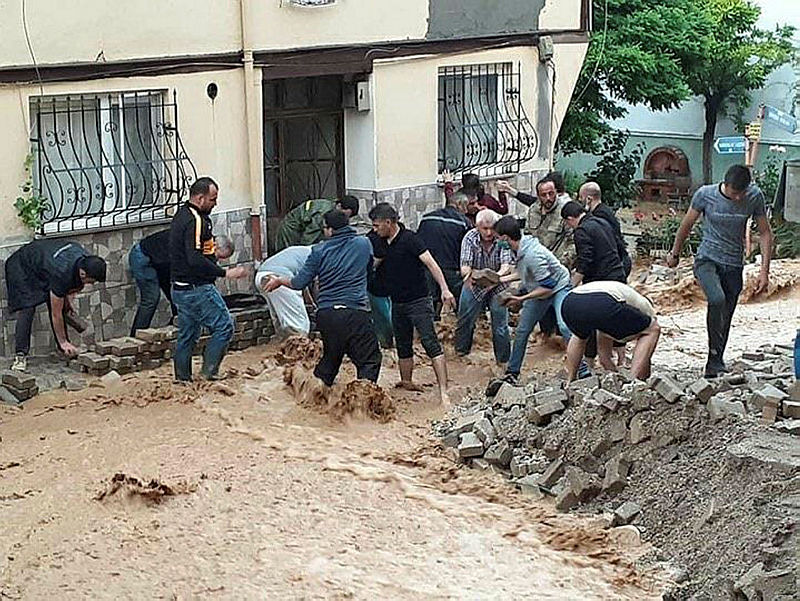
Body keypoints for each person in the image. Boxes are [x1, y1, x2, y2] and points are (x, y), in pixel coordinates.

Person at [667, 164, 772, 378]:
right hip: (707, 259)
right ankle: (714, 359)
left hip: (734, 264)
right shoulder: (705, 195)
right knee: (716, 299)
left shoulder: (754, 197)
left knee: (727, 314)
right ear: (725, 184)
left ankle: (715, 361)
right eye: (734, 193)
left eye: (741, 193)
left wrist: (764, 272)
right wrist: (675, 253)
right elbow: (686, 224)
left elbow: (765, 233)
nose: (738, 198)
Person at [263, 210, 381, 388]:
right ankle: (363, 400)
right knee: (369, 360)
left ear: (330, 230)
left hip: (327, 315)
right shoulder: (364, 244)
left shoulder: (319, 251)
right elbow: (370, 271)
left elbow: (298, 283)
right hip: (355, 313)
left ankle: (315, 394)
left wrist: (279, 280)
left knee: (331, 359)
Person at [369, 202, 455, 403]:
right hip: (396, 301)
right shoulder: (377, 241)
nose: (374, 229)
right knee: (403, 344)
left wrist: (444, 289)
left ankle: (444, 391)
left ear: (388, 223)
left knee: (429, 341)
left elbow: (431, 264)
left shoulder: (411, 240)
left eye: (377, 225)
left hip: (419, 301)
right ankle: (406, 382)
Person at [169, 176, 249, 382]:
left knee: (188, 334)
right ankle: (209, 373)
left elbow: (200, 253)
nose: (215, 203)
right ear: (200, 198)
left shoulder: (182, 215)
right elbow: (194, 258)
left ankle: (182, 379)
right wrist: (225, 273)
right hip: (196, 288)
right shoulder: (194, 220)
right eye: (213, 199)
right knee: (224, 326)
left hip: (179, 288)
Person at [493, 216, 578, 384]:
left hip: (558, 287)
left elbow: (548, 286)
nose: (497, 241)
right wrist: (499, 280)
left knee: (564, 326)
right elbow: (523, 272)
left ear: (505, 238)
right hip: (540, 289)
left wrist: (520, 298)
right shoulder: (518, 250)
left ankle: (581, 369)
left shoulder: (532, 255)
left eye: (498, 238)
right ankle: (512, 372)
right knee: (522, 331)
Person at [5, 239, 106, 371]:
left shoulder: (84, 259)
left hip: (42, 264)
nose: (91, 284)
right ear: (83, 273)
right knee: (27, 307)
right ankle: (20, 356)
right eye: (90, 281)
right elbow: (56, 314)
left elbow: (69, 288)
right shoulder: (62, 272)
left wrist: (68, 302)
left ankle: (64, 351)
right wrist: (63, 341)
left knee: (60, 303)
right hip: (20, 266)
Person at [128, 230, 235, 336]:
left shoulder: (205, 247)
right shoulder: (195, 244)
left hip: (162, 263)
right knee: (151, 298)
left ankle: (178, 329)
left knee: (176, 296)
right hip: (143, 256)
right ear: (215, 245)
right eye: (218, 256)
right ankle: (136, 337)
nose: (216, 260)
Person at [561, 281, 660, 382]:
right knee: (653, 330)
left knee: (579, 337)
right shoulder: (646, 309)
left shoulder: (621, 305)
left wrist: (616, 377)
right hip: (603, 302)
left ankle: (571, 380)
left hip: (570, 302)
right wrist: (643, 376)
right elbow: (647, 351)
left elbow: (604, 358)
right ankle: (632, 383)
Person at [455, 209, 513, 366]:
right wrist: (475, 276)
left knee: (500, 325)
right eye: (484, 228)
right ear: (476, 226)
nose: (489, 232)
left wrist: (495, 278)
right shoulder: (470, 238)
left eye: (491, 228)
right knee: (464, 320)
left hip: (499, 285)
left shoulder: (501, 238)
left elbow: (506, 265)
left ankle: (503, 361)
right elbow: (465, 267)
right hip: (474, 283)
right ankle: (461, 355)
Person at [497, 175, 575, 267]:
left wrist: (563, 261)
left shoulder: (564, 211)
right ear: (538, 196)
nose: (548, 198)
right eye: (544, 195)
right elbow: (527, 237)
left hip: (557, 264)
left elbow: (573, 242)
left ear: (556, 192)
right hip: (535, 264)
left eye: (551, 193)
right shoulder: (533, 210)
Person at [417, 190, 472, 318]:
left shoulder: (427, 218)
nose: (466, 211)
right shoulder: (463, 222)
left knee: (430, 303)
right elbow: (468, 249)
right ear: (459, 204)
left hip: (428, 268)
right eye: (466, 206)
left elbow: (418, 243)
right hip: (452, 270)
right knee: (460, 305)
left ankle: (431, 329)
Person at [561, 201, 626, 286]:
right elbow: (620, 247)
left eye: (567, 223)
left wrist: (571, 285)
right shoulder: (603, 222)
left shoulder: (581, 231)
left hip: (599, 282)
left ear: (570, 219)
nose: (569, 226)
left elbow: (584, 262)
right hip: (618, 275)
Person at [254, 245, 313, 338]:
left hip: (261, 276)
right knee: (298, 323)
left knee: (280, 318)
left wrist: (310, 301)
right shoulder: (317, 255)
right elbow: (302, 282)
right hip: (277, 277)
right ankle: (298, 347)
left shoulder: (302, 251)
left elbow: (302, 282)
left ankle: (284, 345)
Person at [579, 181, 631, 278]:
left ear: (589, 199)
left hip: (616, 265)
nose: (580, 202)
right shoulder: (605, 211)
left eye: (581, 198)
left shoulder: (598, 218)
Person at [275, 195, 360, 251]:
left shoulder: (332, 206)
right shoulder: (323, 212)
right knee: (290, 253)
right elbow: (309, 235)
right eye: (344, 214)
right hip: (291, 229)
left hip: (300, 227)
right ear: (339, 206)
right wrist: (306, 251)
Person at [366, 230, 394, 349]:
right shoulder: (397, 237)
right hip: (389, 284)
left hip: (377, 286)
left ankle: (386, 343)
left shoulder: (373, 238)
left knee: (383, 317)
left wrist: (371, 268)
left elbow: (379, 255)